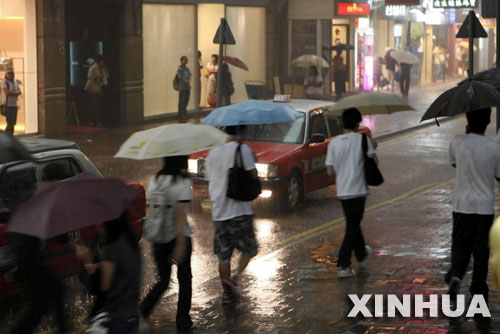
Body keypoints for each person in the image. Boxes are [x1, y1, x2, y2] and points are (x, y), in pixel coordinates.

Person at [445, 108, 500, 303]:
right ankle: (478, 288)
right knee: (481, 250)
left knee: (460, 245)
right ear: (487, 122)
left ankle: (456, 275)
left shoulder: (457, 142)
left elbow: (455, 164)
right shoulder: (494, 148)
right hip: (484, 207)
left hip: (461, 205)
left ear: (467, 121)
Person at [140, 155, 196, 330]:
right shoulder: (182, 182)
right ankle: (182, 320)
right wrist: (180, 244)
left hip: (159, 237)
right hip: (180, 237)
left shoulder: (156, 179)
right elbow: (180, 214)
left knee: (163, 281)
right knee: (185, 279)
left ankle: (141, 312)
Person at [205, 125, 259, 304]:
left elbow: (209, 178)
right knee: (250, 249)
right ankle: (236, 277)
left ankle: (227, 293)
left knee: (224, 255)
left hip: (219, 211)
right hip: (239, 210)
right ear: (241, 132)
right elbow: (253, 174)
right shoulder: (242, 149)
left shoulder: (212, 153)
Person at [325, 108, 375, 278]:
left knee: (353, 224)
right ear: (356, 123)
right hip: (358, 190)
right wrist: (373, 147)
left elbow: (330, 173)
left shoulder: (334, 143)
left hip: (343, 191)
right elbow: (374, 162)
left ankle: (361, 254)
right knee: (352, 226)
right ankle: (343, 264)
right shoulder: (363, 140)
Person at [75, 213, 142, 334]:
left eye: (100, 225)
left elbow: (102, 289)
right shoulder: (131, 242)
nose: (98, 228)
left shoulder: (111, 249)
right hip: (133, 315)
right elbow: (122, 270)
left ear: (109, 225)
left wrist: (88, 262)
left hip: (117, 319)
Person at [8, 234, 68, 334]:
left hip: (38, 273)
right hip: (37, 274)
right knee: (41, 308)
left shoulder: (24, 230)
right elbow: (26, 253)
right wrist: (17, 274)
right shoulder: (27, 232)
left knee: (44, 306)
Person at [84, 55, 108, 127]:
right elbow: (89, 77)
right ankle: (91, 121)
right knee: (92, 105)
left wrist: (105, 68)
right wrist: (98, 77)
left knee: (97, 106)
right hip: (92, 89)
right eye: (102, 62)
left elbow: (107, 75)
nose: (103, 63)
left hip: (98, 88)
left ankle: (97, 121)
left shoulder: (101, 68)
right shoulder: (93, 67)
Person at [1, 68, 21, 135]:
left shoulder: (15, 82)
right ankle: (7, 136)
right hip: (8, 105)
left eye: (11, 73)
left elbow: (19, 91)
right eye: (9, 73)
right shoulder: (4, 82)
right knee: (10, 122)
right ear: (6, 74)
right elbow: (7, 92)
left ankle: (10, 136)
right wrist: (15, 93)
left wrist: (13, 93)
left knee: (13, 123)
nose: (10, 75)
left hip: (14, 104)